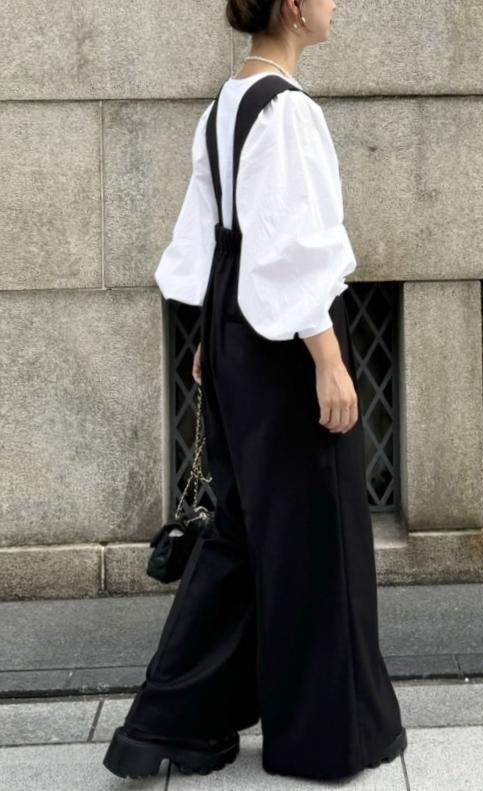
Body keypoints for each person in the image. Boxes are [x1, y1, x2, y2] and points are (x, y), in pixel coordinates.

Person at [103, 0, 407, 782]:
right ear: (295, 8)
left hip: (238, 330)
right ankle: (323, 739)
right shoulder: (287, 111)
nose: (337, 4)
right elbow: (291, 246)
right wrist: (328, 358)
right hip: (284, 342)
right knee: (317, 536)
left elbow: (214, 235)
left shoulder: (226, 105)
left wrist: (213, 335)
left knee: (242, 530)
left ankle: (167, 721)